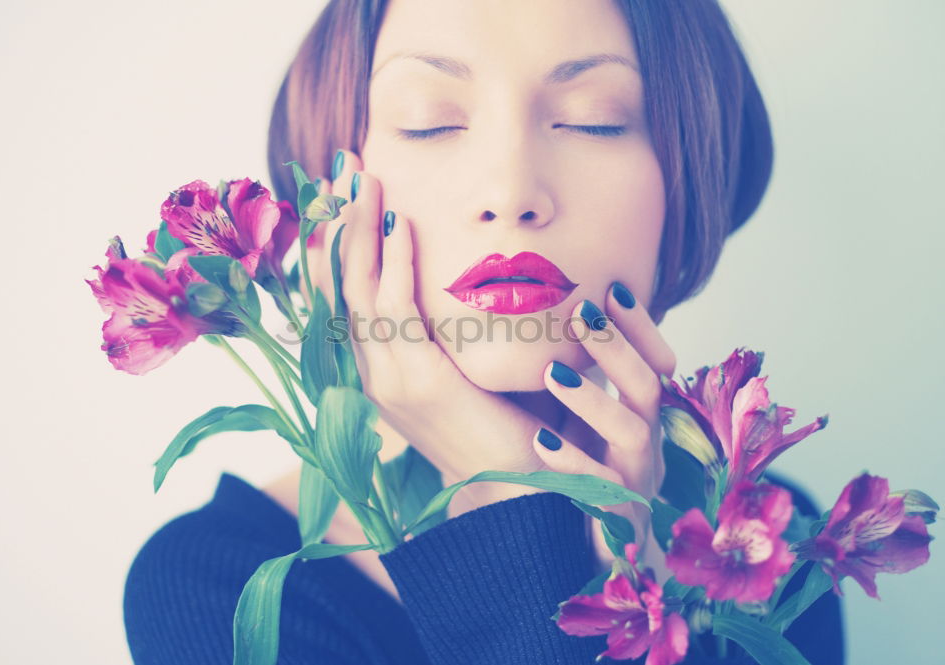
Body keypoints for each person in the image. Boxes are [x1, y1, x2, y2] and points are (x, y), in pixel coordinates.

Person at [123, 1, 845, 663]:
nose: (509, 191)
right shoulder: (217, 589)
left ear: (693, 177)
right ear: (331, 195)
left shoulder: (763, 544)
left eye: (594, 118)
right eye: (429, 119)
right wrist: (516, 520)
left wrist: (638, 571)